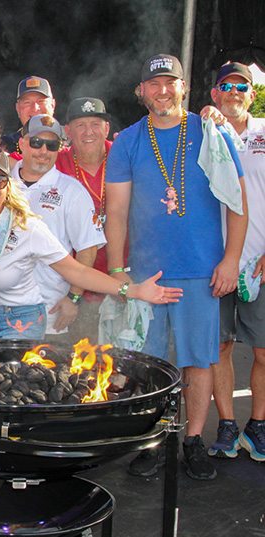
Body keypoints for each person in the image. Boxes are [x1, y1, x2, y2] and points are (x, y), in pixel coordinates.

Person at [105, 53, 248, 480]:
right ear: (141, 91)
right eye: (154, 84)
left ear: (184, 87)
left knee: (198, 362)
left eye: (171, 82)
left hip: (201, 270)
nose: (163, 91)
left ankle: (193, 440)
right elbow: (116, 211)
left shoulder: (210, 132)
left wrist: (231, 260)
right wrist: (117, 269)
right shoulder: (128, 141)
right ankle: (154, 440)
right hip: (147, 274)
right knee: (149, 364)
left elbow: (237, 203)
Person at [0, 149, 182, 340]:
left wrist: (133, 290)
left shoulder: (29, 228)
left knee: (10, 381)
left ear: (8, 188)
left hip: (19, 320)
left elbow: (78, 271)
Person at [204, 61, 265, 461]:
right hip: (216, 261)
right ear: (214, 94)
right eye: (226, 86)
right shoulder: (205, 131)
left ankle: (258, 425)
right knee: (220, 347)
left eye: (241, 87)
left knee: (263, 351)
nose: (234, 93)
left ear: (252, 95)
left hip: (259, 260)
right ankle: (226, 423)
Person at [11, 114, 105, 341]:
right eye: (36, 142)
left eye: (52, 145)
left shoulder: (72, 190)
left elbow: (87, 248)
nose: (43, 150)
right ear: (22, 143)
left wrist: (74, 297)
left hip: (49, 314)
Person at [56, 98, 118, 342]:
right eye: (80, 125)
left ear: (107, 128)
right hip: (71, 286)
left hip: (120, 276)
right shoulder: (56, 162)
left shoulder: (124, 156)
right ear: (68, 132)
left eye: (95, 124)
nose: (88, 132)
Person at [0, 76, 56, 156]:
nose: (35, 108)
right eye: (27, 102)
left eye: (41, 101)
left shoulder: (70, 139)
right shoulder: (3, 145)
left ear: (52, 106)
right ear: (18, 109)